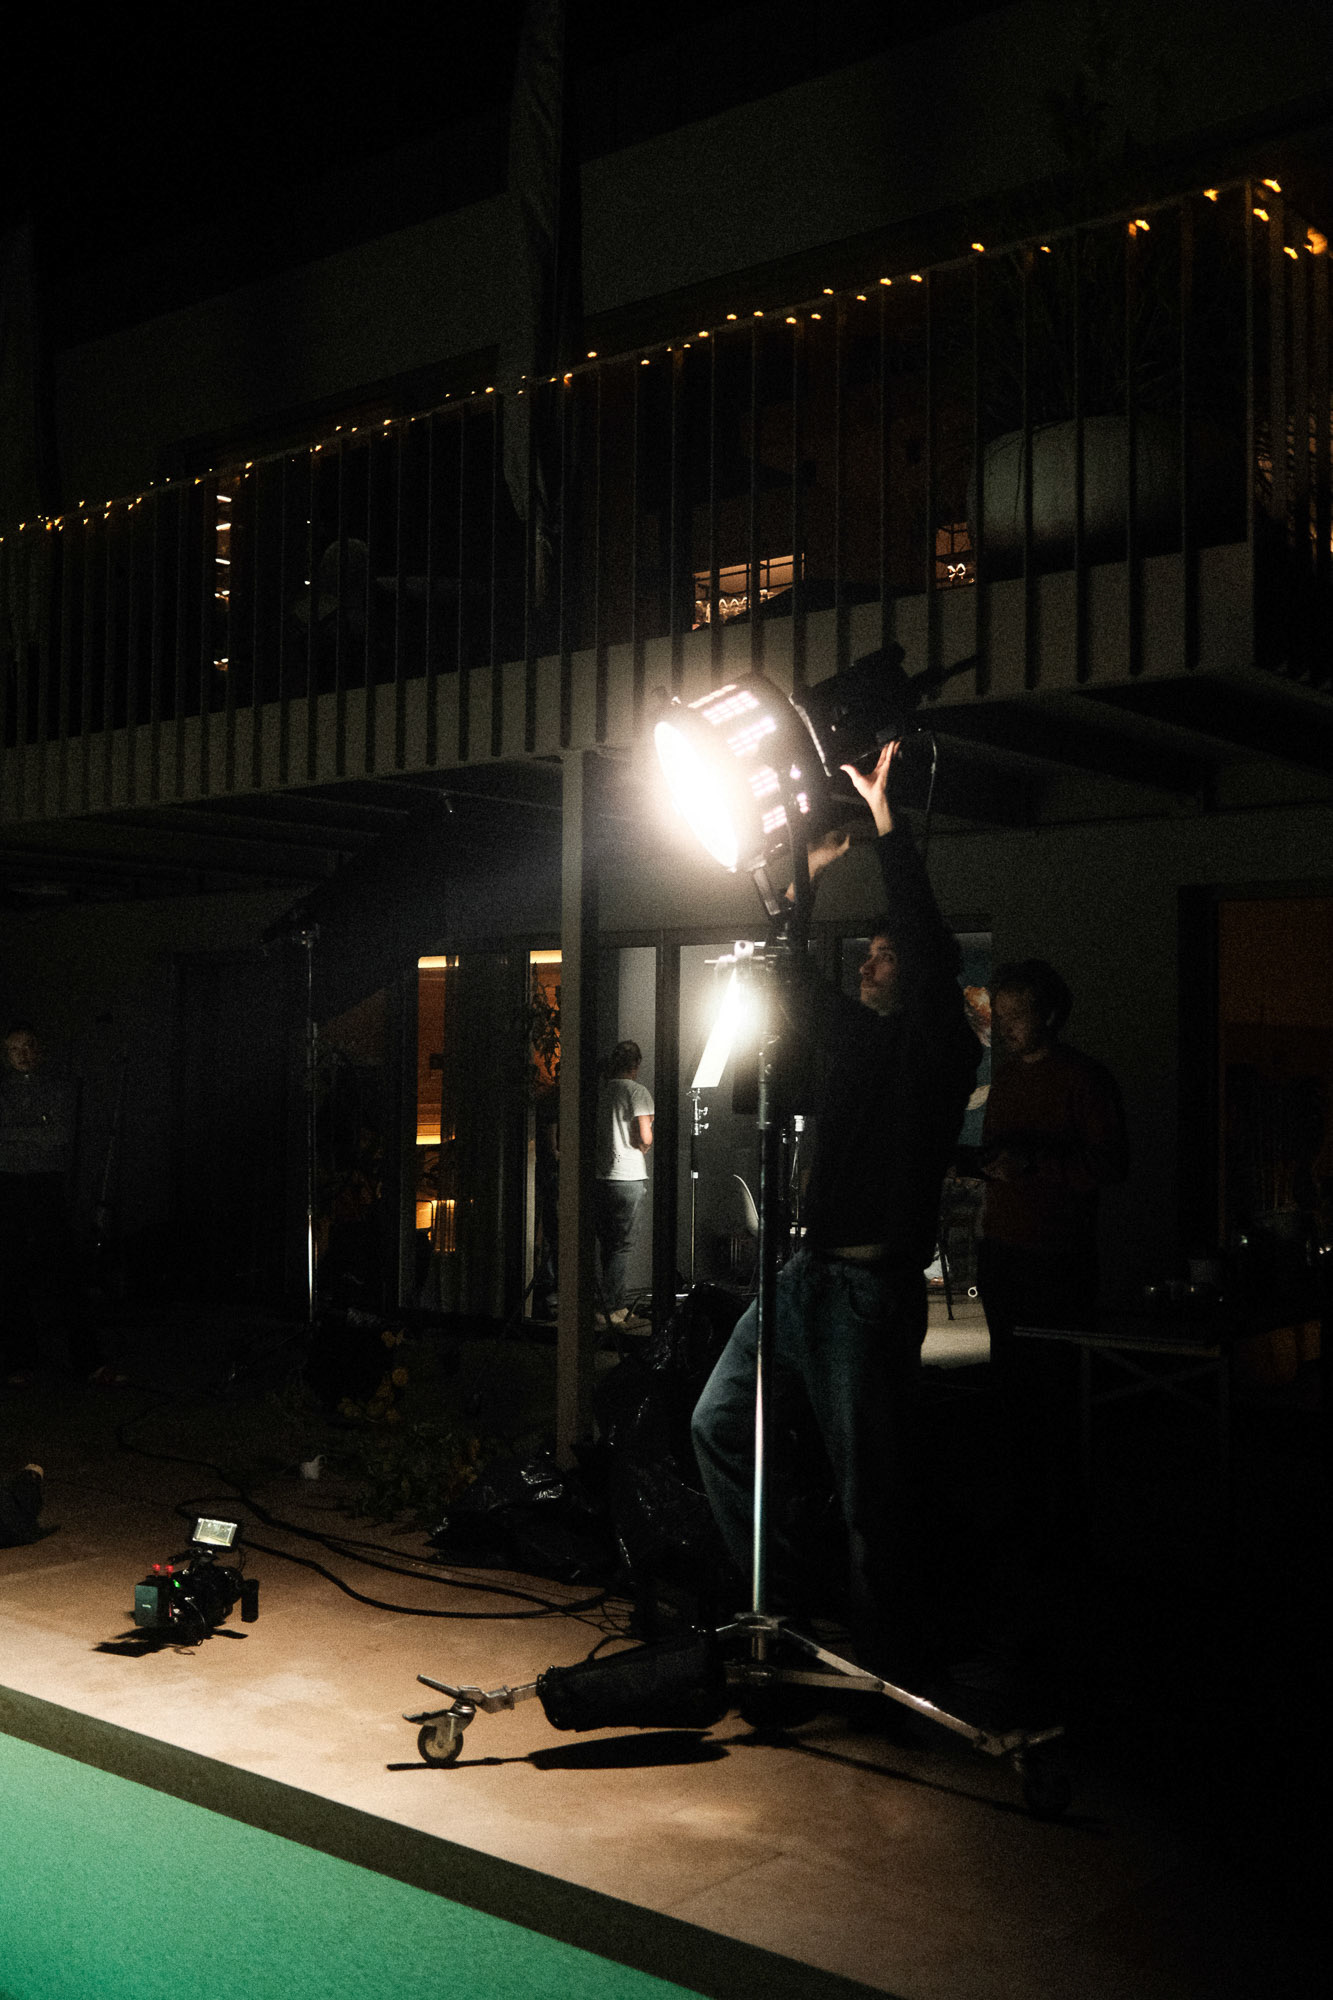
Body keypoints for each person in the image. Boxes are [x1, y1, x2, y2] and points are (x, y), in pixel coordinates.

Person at [691, 744, 982, 1682]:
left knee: (871, 1493)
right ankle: (776, 1610)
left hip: (867, 1293)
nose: (871, 960)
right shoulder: (854, 1039)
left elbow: (928, 945)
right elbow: (790, 974)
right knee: (717, 1424)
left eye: (885, 955)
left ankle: (889, 1664)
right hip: (805, 1277)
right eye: (869, 951)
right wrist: (803, 877)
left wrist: (887, 825)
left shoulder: (939, 1055)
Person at [976, 960, 1128, 1526]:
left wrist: (1035, 1164)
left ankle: (1062, 1509)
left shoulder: (1084, 1078)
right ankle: (1020, 1502)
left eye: (1017, 1015)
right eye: (1001, 1016)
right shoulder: (1008, 1078)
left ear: (1050, 1016)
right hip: (1003, 1249)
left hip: (1057, 1256)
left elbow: (1111, 1164)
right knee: (1010, 1380)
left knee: (1056, 1385)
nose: (1006, 1027)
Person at [0, 1024, 98, 1384]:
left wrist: (16, 1133)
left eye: (27, 1046)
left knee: (64, 1268)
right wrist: (34, 1129)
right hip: (8, 1184)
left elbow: (58, 1136)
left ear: (39, 1049)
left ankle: (88, 1360)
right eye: (14, 1049)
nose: (22, 1055)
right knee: (9, 1271)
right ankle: (19, 1360)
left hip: (45, 1183)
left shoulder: (57, 1088)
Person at [594, 1039, 654, 1329]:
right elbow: (645, 1136)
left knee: (608, 1245)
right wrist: (645, 1144)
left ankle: (612, 1306)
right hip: (628, 1176)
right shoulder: (637, 1091)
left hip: (602, 1177)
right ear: (636, 1065)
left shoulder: (604, 1092)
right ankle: (611, 1309)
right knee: (623, 1246)